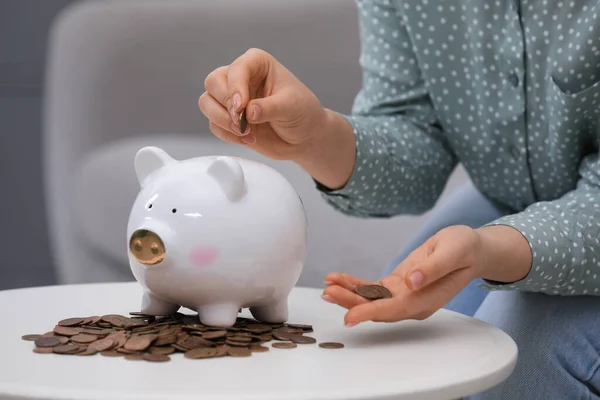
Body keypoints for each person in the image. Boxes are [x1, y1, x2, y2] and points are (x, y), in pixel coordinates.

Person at [198, 1, 600, 398]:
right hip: (505, 199)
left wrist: (492, 249)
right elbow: (417, 141)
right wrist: (317, 135)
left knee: (514, 360)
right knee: (393, 344)